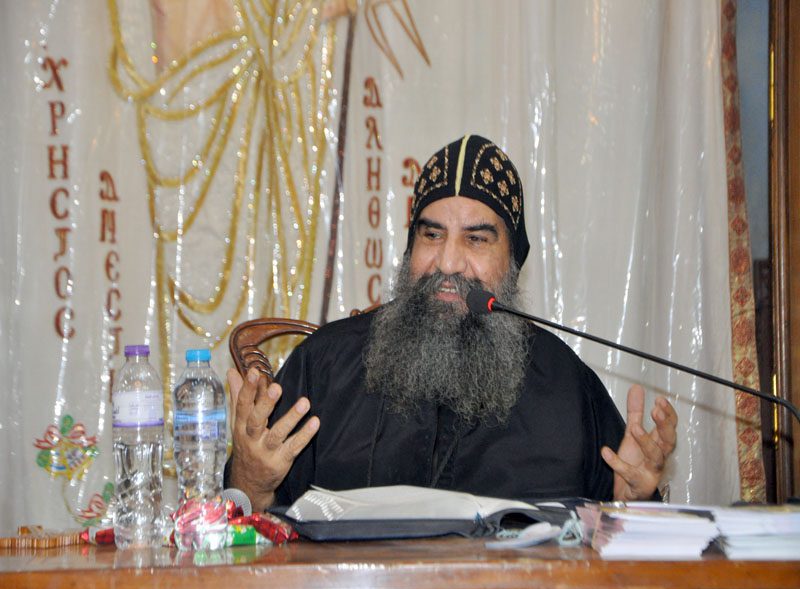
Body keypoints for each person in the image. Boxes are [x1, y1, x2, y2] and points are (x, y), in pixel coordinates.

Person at [225, 134, 678, 513]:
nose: (447, 262)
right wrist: (250, 482)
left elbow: (620, 548)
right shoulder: (325, 366)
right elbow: (246, 533)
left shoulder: (566, 387)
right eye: (432, 234)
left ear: (513, 261)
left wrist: (635, 505)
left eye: (476, 239)